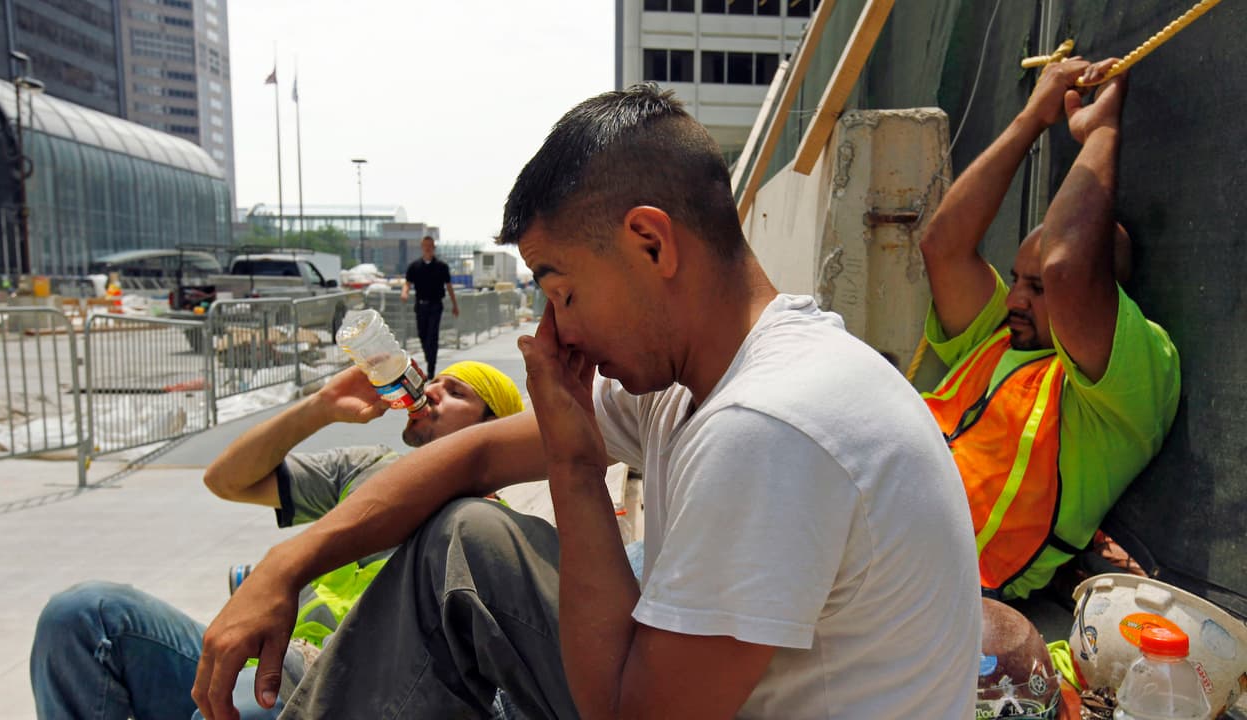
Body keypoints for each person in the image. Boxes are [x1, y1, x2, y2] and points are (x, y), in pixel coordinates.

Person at [192, 84, 981, 720]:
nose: (558, 331)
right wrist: (289, 562)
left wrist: (574, 465)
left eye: (563, 291)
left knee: (466, 555)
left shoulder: (768, 426)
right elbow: (471, 456)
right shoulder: (700, 379)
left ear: (651, 244)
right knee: (469, 540)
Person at [30, 361, 524, 720]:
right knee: (84, 615)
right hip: (259, 659)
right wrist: (321, 407)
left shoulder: (486, 526)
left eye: (455, 392)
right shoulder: (367, 466)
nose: (431, 391)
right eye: (434, 381)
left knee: (250, 699)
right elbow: (226, 480)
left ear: (492, 430)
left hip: (334, 689)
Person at [918, 57, 1181, 600]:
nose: (1015, 298)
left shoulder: (1123, 382)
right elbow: (942, 247)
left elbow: (1068, 269)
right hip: (866, 527)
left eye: (1035, 288)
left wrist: (1100, 134)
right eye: (1017, 279)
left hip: (947, 589)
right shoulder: (997, 337)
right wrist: (1032, 118)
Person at [401, 235, 459, 378]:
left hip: (435, 305)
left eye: (430, 245)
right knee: (422, 335)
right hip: (420, 305)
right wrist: (404, 293)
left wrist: (455, 305)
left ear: (433, 247)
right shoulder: (414, 266)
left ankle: (431, 369)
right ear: (422, 247)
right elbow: (407, 283)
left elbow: (449, 287)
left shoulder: (442, 267)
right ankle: (429, 359)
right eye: (425, 245)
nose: (427, 248)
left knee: (432, 335)